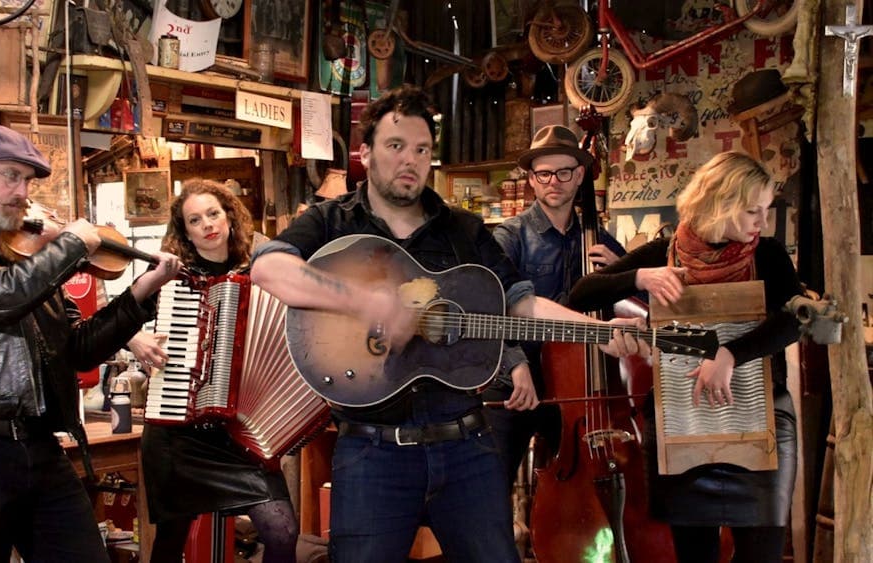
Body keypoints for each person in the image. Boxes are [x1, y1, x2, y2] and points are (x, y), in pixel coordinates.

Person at [249, 84, 643, 563]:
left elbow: (519, 303)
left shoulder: (464, 230)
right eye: (395, 147)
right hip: (373, 454)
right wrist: (366, 302)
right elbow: (269, 269)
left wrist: (596, 331)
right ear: (366, 152)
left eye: (421, 149)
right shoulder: (332, 221)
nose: (409, 160)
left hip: (467, 448)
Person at [0, 122, 182, 563]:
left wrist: (140, 292)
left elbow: (80, 350)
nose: (22, 191)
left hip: (38, 445)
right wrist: (69, 246)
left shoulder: (26, 256)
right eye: (10, 175)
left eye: (27, 180)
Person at [568, 151, 802, 563]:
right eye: (753, 211)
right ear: (721, 203)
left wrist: (729, 354)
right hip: (683, 425)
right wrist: (639, 277)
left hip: (759, 423)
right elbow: (582, 294)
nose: (762, 223)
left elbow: (791, 321)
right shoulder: (664, 254)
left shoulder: (767, 256)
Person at [135, 179, 298, 563]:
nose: (207, 224)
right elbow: (118, 317)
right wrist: (135, 340)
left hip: (239, 434)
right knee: (171, 542)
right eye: (195, 220)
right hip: (177, 432)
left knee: (282, 530)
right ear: (185, 232)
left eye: (213, 213)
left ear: (229, 217)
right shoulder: (171, 277)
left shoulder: (260, 271)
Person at [484, 125, 628, 488]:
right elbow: (489, 308)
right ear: (531, 179)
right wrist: (515, 365)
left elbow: (633, 308)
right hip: (517, 377)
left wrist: (619, 273)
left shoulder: (601, 240)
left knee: (585, 480)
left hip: (577, 387)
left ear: (580, 176)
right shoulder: (510, 236)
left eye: (564, 172)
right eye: (544, 173)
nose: (554, 181)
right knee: (489, 484)